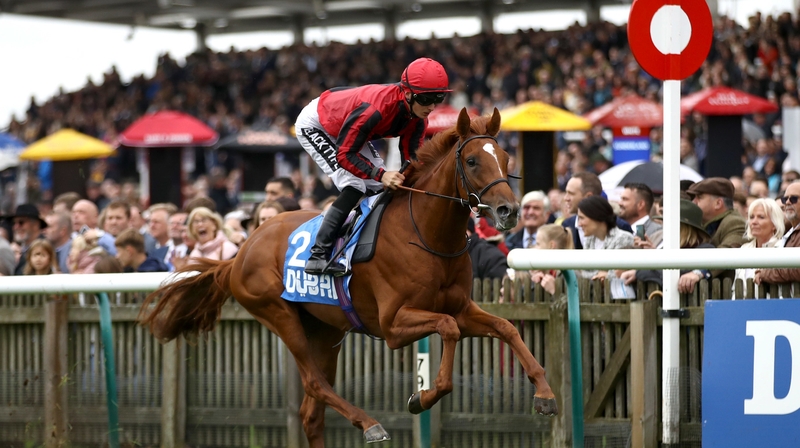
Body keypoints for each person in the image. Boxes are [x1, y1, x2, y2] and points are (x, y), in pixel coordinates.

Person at [294, 57, 451, 275]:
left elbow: (413, 160)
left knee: (380, 189)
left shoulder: (418, 118)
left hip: (347, 124)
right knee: (355, 184)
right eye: (426, 99)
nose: (432, 106)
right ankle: (318, 254)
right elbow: (345, 155)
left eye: (438, 98)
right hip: (318, 124)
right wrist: (380, 174)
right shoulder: (375, 110)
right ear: (408, 93)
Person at [619, 199, 715, 293]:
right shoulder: (668, 248)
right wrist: (654, 255)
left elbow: (671, 274)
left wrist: (641, 270)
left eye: (669, 223)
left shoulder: (705, 248)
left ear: (683, 227)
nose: (664, 227)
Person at [687, 177, 746, 280]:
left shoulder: (735, 223)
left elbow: (727, 252)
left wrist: (700, 272)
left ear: (718, 203)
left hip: (724, 293)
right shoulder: (704, 223)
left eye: (699, 197)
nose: (694, 202)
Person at [561, 172, 632, 249]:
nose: (566, 198)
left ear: (589, 196)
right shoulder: (566, 225)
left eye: (571, 193)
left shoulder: (622, 228)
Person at [734, 198, 785, 297]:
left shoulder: (782, 248)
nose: (754, 222)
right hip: (743, 309)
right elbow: (735, 290)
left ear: (774, 224)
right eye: (751, 217)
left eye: (761, 217)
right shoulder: (744, 249)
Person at [576, 195, 634, 280]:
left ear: (597, 216)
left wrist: (607, 275)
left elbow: (619, 275)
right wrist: (602, 274)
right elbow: (583, 273)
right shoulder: (589, 240)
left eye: (582, 218)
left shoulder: (624, 238)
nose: (579, 224)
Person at [755, 181, 800, 286]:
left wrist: (765, 274)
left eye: (793, 199)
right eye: (785, 199)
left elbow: (797, 269)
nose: (788, 202)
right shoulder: (790, 231)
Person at [4, 203, 47, 275]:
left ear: (36, 224)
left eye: (21, 222)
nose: (16, 227)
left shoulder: (44, 247)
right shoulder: (19, 249)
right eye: (14, 223)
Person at [617, 183, 662, 247]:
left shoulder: (657, 232)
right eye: (621, 199)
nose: (619, 203)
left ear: (640, 204)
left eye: (625, 199)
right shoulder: (618, 230)